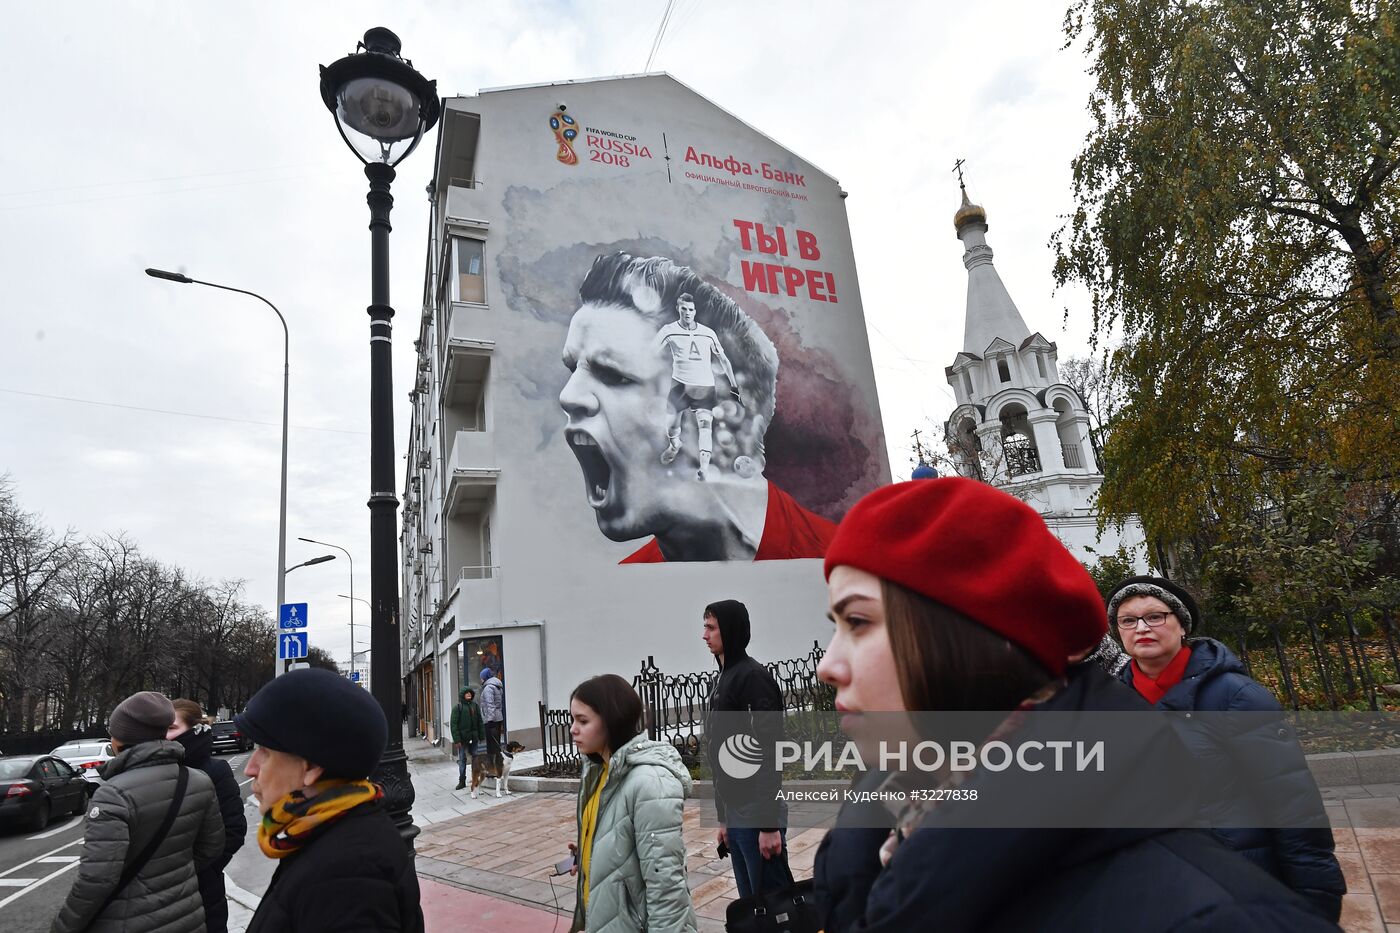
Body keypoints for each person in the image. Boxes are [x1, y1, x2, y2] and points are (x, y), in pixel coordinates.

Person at [811, 477, 1341, 932]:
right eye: (833, 628)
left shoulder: (1215, 917)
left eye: (858, 622)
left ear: (973, 641)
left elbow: (1290, 808)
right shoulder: (874, 850)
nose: (827, 666)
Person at [559, 252, 837, 562]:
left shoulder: (846, 562)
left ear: (734, 421)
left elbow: (719, 359)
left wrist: (729, 385)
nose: (568, 396)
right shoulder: (630, 577)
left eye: (613, 374)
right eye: (573, 370)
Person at [1107, 575, 1346, 922]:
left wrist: (1315, 893)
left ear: (1181, 624)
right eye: (1128, 620)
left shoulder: (1236, 698)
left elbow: (1292, 803)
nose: (1141, 627)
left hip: (1238, 879)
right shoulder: (1112, 702)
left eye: (1155, 616)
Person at [238, 668, 422, 932]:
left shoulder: (346, 877)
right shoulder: (327, 833)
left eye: (265, 751)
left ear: (312, 766)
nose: (250, 769)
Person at [52, 691, 225, 933]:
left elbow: (96, 880)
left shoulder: (112, 795)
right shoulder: (197, 780)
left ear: (119, 738)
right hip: (188, 916)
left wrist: (64, 926)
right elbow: (212, 847)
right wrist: (170, 878)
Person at [567, 674, 697, 933]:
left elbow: (666, 885)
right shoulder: (600, 772)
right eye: (573, 719)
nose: (573, 728)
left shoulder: (650, 783)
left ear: (612, 721)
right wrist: (590, 852)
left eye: (583, 721)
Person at [702, 599, 794, 900]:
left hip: (757, 810)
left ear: (729, 630)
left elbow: (770, 751)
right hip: (736, 812)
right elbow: (718, 752)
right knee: (752, 906)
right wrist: (723, 819)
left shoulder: (753, 678)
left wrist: (769, 826)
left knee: (775, 905)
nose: (705, 635)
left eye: (711, 627)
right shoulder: (721, 680)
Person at [168, 699, 248, 933]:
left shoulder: (214, 770)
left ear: (193, 729)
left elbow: (234, 830)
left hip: (203, 889)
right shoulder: (155, 768)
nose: (164, 734)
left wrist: (204, 870)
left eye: (172, 728)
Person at [652, 291, 743, 481]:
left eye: (691, 309)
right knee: (671, 425)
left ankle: (704, 469)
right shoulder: (669, 330)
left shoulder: (708, 333)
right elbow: (649, 353)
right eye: (684, 309)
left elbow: (723, 360)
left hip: (705, 387)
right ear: (678, 309)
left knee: (705, 423)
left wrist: (734, 386)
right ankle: (675, 444)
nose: (687, 313)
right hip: (679, 385)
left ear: (695, 311)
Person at [450, 686, 485, 791]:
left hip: (473, 738)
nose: (469, 694)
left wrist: (481, 735)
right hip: (462, 739)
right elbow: (454, 725)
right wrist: (457, 740)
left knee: (475, 759)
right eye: (467, 693)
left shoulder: (475, 706)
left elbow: (480, 721)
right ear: (463, 695)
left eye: (470, 693)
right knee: (462, 760)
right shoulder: (458, 708)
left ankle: (475, 779)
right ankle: (462, 781)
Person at [479, 667, 505, 762]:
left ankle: (493, 766)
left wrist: (490, 720)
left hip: (491, 720)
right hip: (498, 717)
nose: (480, 679)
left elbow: (490, 705)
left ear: (485, 677)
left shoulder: (488, 688)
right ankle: (498, 763)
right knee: (496, 742)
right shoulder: (496, 686)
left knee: (491, 745)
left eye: (481, 677)